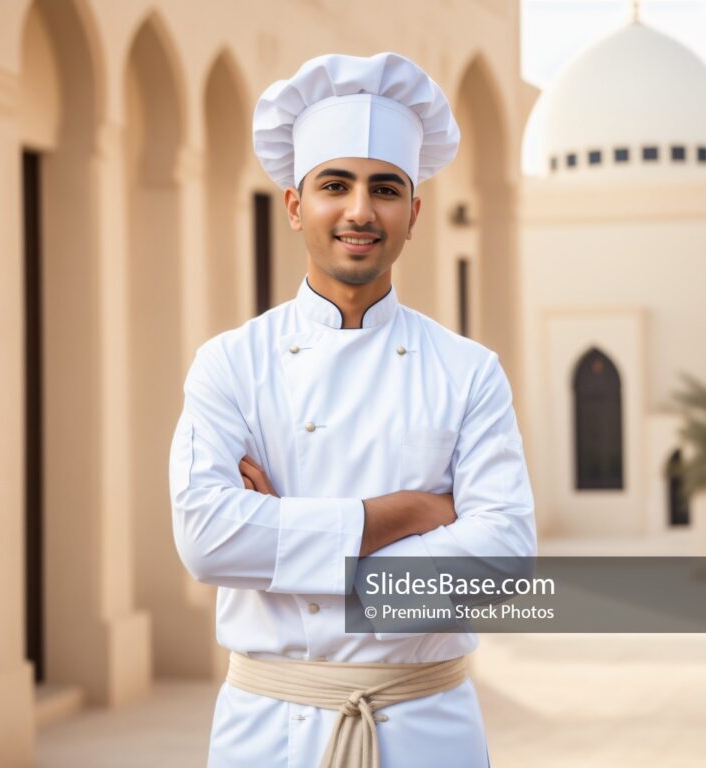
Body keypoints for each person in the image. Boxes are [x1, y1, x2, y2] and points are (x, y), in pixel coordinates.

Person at [169, 51, 536, 768]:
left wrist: (286, 550)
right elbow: (207, 540)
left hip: (427, 725)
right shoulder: (230, 363)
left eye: (385, 189)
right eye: (335, 185)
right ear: (296, 204)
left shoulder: (469, 371)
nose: (361, 211)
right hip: (266, 729)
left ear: (414, 213)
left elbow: (503, 562)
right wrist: (409, 513)